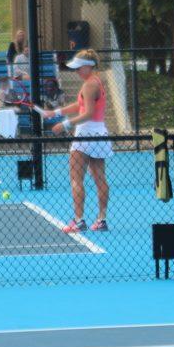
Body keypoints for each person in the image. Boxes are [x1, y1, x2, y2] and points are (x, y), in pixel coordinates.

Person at [43, 49, 111, 233]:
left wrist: (64, 125)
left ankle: (79, 221)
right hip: (99, 132)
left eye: (79, 68)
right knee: (99, 177)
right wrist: (55, 113)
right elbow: (79, 105)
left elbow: (87, 113)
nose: (76, 71)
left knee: (76, 178)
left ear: (89, 67)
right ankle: (101, 220)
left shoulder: (89, 85)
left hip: (85, 133)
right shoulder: (94, 82)